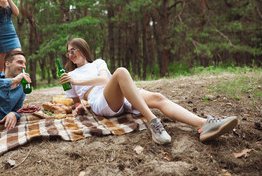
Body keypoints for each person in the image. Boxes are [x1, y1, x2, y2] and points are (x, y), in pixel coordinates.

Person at [60, 38, 238, 145]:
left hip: (119, 92)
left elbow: (105, 80)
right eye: (68, 53)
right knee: (121, 72)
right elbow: (75, 100)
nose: (71, 55)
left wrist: (77, 80)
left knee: (158, 97)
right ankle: (153, 122)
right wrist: (79, 106)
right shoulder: (70, 75)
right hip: (102, 102)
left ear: (83, 49)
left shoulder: (98, 63)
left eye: (73, 50)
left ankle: (204, 124)